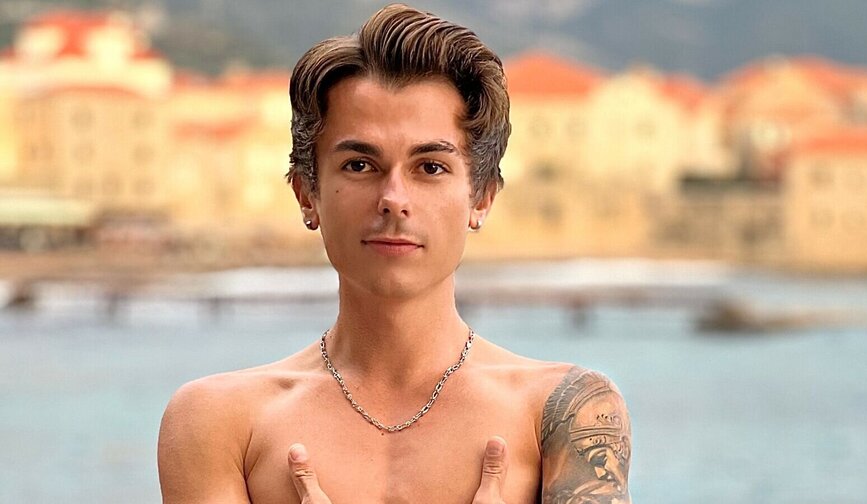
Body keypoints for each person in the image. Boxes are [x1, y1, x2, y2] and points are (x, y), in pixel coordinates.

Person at [157, 4, 632, 503]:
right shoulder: (218, 421)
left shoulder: (565, 412)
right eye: (360, 165)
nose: (394, 199)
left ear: (481, 198)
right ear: (307, 194)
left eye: (430, 167)